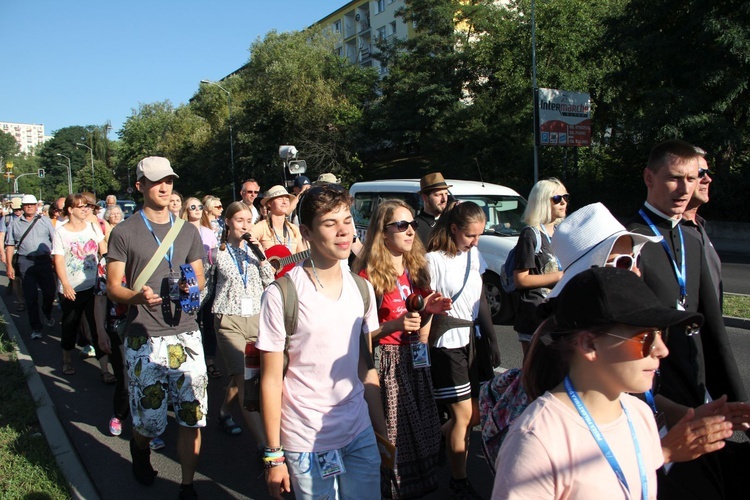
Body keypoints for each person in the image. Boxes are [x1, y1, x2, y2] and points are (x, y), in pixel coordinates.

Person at [492, 267, 702, 499]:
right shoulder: (536, 440)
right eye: (644, 338)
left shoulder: (640, 414)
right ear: (589, 345)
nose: (662, 350)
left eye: (661, 334)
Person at [626, 139, 749, 499]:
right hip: (650, 394)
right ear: (649, 177)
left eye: (693, 179)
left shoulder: (692, 240)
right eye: (673, 178)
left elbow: (713, 329)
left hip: (694, 392)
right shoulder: (626, 240)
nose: (684, 189)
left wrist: (735, 398)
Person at [257, 184, 386, 500]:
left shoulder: (362, 289)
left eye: (347, 220)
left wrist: (381, 433)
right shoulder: (282, 295)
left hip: (359, 431)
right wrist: (273, 456)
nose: (344, 232)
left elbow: (366, 367)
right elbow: (271, 380)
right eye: (330, 223)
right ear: (307, 232)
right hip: (307, 439)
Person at [106, 156, 207, 498]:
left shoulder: (188, 230)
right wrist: (136, 296)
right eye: (155, 181)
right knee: (150, 421)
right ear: (140, 187)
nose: (164, 187)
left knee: (192, 415)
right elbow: (113, 286)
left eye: (168, 180)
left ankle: (187, 485)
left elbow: (200, 277)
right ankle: (140, 447)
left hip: (187, 332)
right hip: (144, 336)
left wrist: (190, 286)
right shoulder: (124, 232)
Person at [354, 199, 450, 499]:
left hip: (414, 361)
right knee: (394, 435)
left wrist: (429, 311)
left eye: (411, 225)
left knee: (422, 431)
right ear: (383, 233)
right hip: (386, 363)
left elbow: (418, 321)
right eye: (402, 225)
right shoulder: (366, 276)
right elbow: (358, 337)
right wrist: (394, 326)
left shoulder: (415, 267)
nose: (411, 231)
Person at [425, 201, 500, 499]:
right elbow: (425, 305)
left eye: (479, 235)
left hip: (472, 339)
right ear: (454, 229)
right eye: (470, 235)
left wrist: (492, 339)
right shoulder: (434, 260)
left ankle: (434, 438)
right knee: (463, 415)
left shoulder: (475, 255)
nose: (475, 241)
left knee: (474, 415)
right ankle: (459, 479)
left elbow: (478, 300)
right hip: (446, 344)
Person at [212, 201, 274, 447]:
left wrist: (261, 256)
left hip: (257, 318)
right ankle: (265, 445)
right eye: (240, 220)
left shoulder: (253, 250)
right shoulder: (217, 251)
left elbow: (270, 281)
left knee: (244, 377)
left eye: (249, 221)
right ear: (228, 222)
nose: (245, 226)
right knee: (244, 379)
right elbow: (204, 283)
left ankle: (224, 412)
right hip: (229, 320)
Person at [53, 193, 111, 378]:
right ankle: (66, 359)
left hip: (93, 286)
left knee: (97, 326)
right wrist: (65, 284)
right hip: (72, 288)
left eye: (87, 206)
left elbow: (104, 251)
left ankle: (104, 369)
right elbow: (59, 260)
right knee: (70, 324)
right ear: (70, 210)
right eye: (81, 206)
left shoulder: (93, 227)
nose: (86, 209)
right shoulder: (61, 232)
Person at [511, 178, 566, 357]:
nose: (564, 202)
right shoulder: (530, 234)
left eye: (566, 197)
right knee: (535, 372)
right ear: (542, 201)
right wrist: (558, 276)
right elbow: (520, 279)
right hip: (534, 315)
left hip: (556, 312)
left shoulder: (561, 232)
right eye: (557, 198)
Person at [4, 194, 57, 338]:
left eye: (32, 205)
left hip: (44, 261)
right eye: (26, 205)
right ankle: (36, 328)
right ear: (22, 207)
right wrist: (9, 266)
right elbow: (9, 245)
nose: (29, 207)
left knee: (49, 292)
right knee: (30, 296)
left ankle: (46, 311)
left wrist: (56, 260)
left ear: (36, 206)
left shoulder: (45, 221)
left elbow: (55, 241)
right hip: (25, 261)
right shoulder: (15, 223)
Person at [182, 197, 221, 379]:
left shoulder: (209, 232)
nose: (197, 209)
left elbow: (215, 258)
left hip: (209, 280)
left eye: (199, 206)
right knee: (192, 321)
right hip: (189, 281)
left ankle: (211, 360)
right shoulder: (181, 231)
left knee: (209, 322)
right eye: (192, 207)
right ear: (186, 210)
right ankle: (193, 359)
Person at [682, 148, 722, 305]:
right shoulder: (663, 233)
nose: (708, 179)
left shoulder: (699, 226)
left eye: (707, 172)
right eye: (700, 173)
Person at [251, 185, 306, 254]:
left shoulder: (294, 229)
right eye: (280, 199)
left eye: (287, 199)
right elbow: (246, 242)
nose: (284, 202)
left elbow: (302, 258)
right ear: (269, 203)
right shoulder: (261, 227)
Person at [415, 172, 451, 245]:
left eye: (446, 194)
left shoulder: (451, 222)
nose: (444, 199)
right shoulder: (415, 227)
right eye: (438, 195)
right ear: (425, 198)